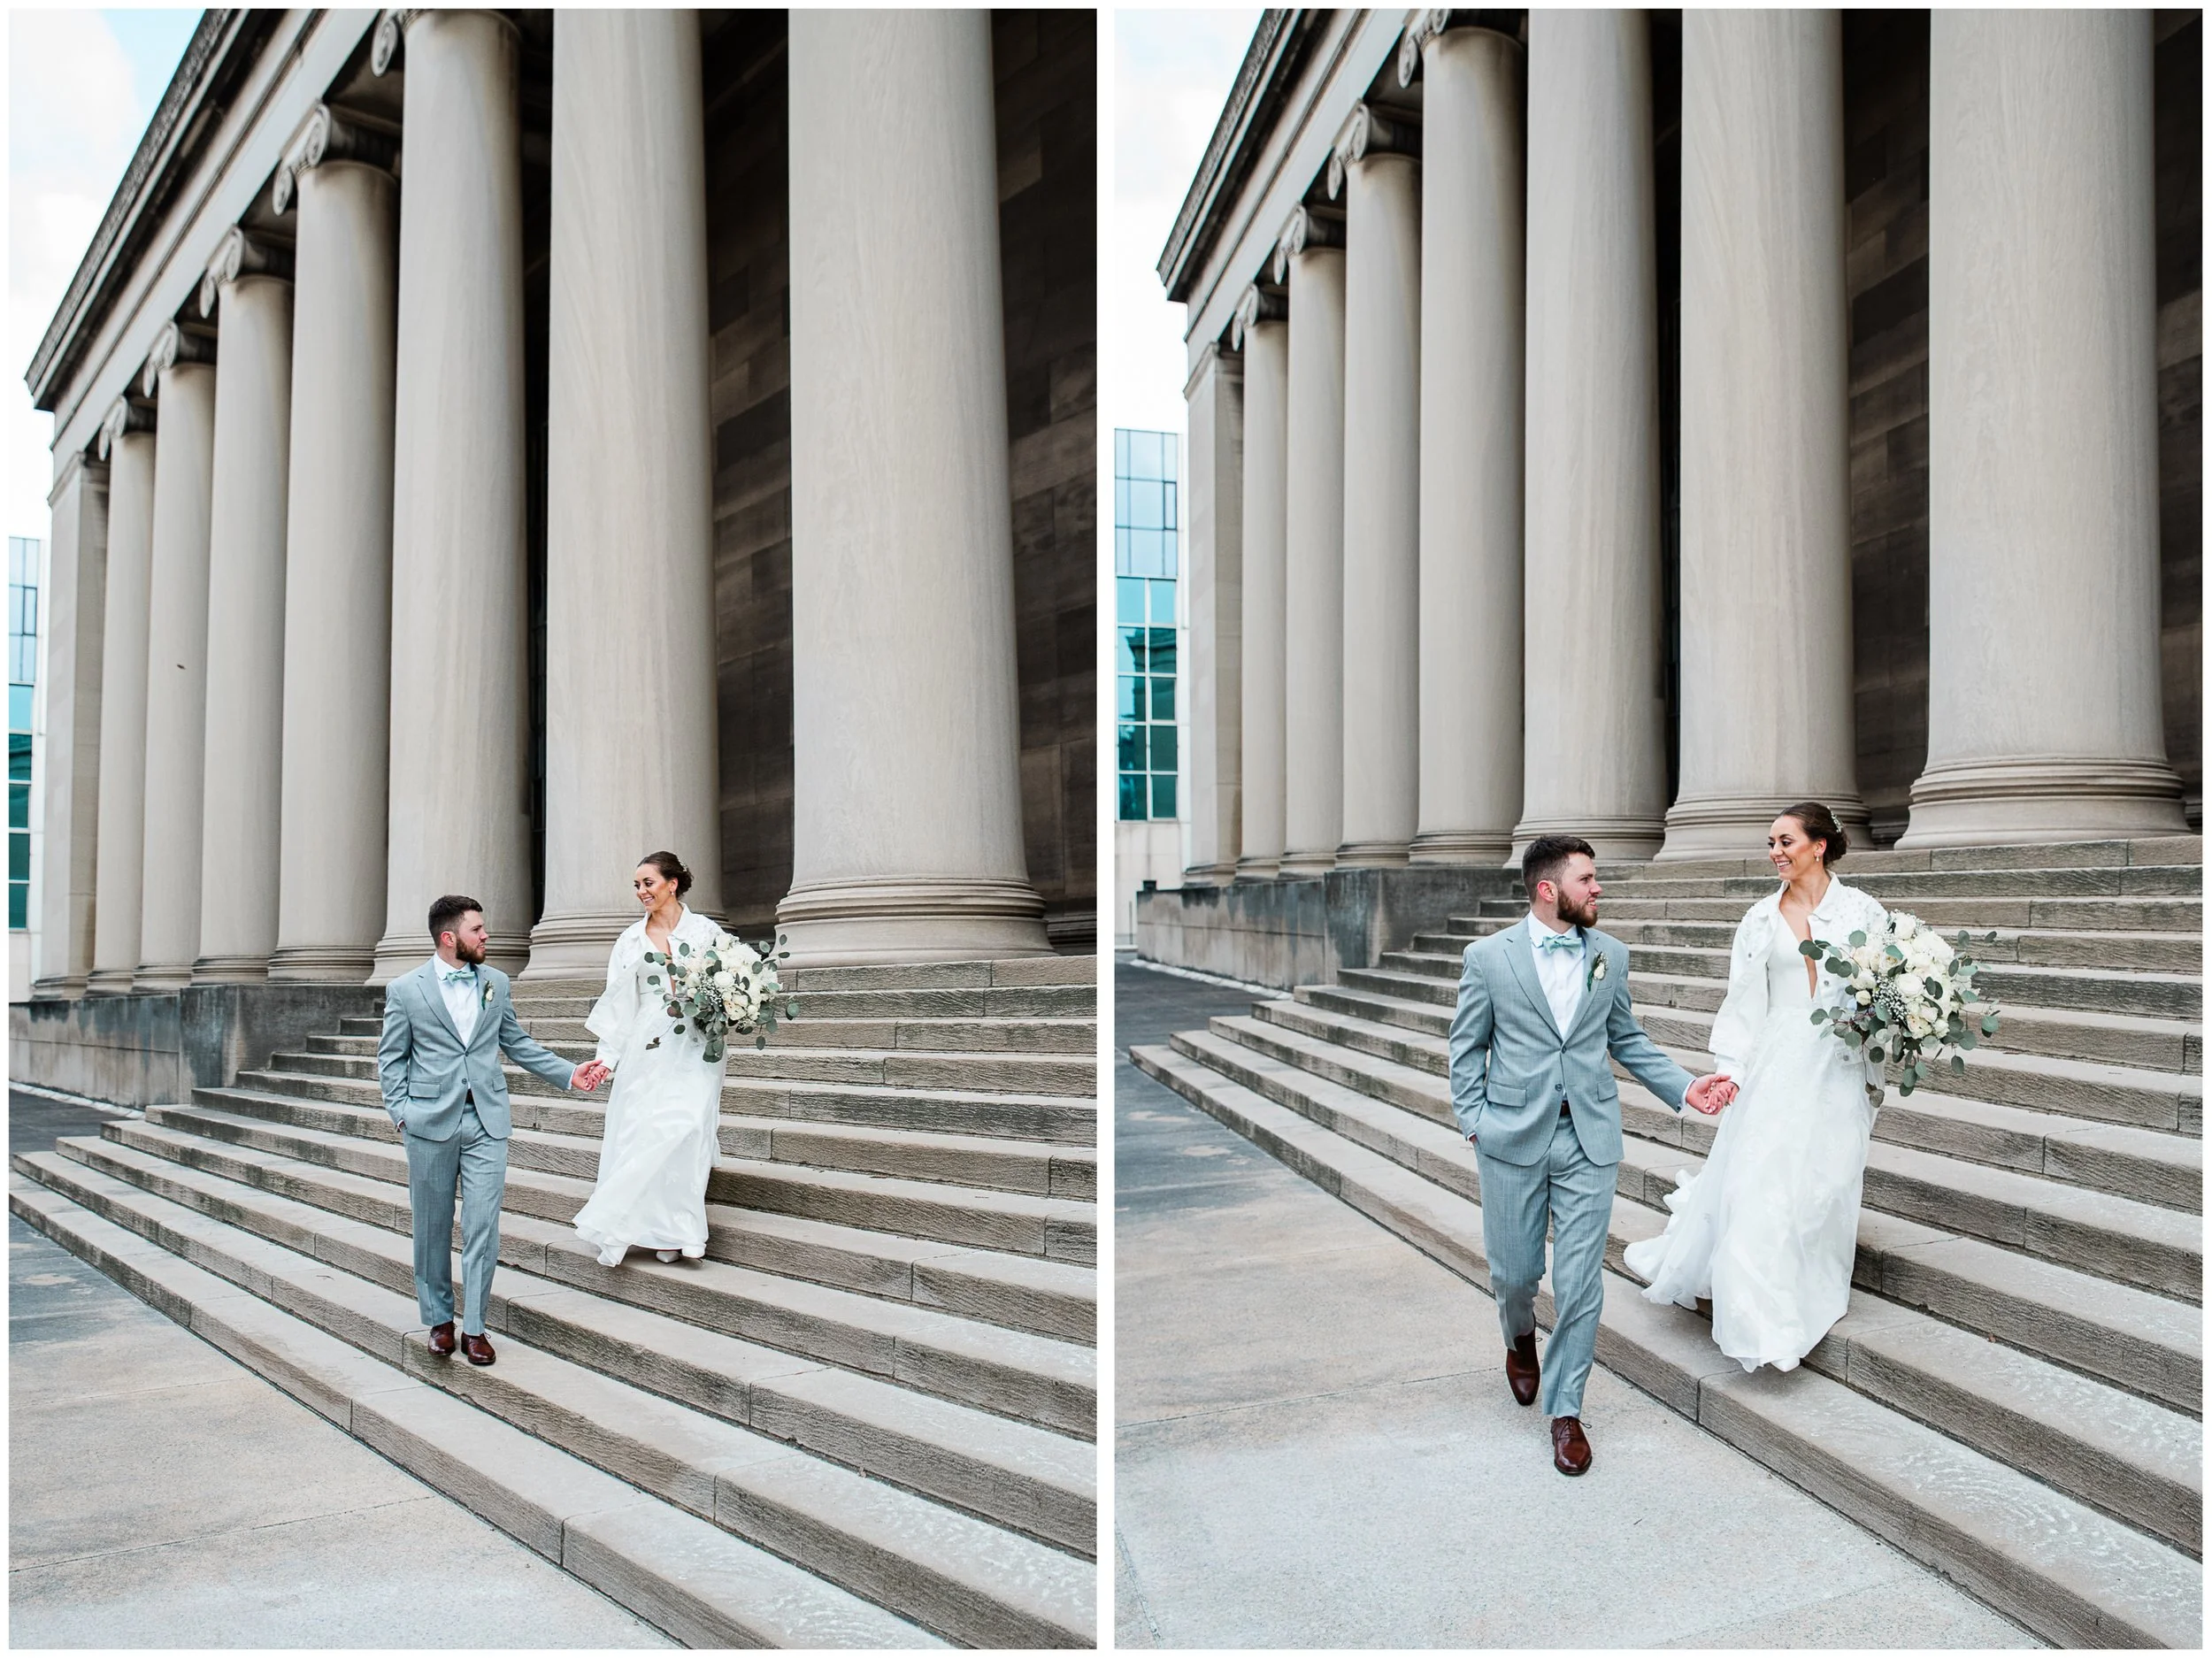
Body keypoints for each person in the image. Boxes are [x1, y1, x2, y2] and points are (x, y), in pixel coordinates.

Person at [1448, 833, 1735, 1476]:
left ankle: (1566, 1411)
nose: (1598, 888)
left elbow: (1626, 1038)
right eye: (1587, 879)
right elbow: (1466, 1048)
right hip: (1511, 1140)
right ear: (1549, 890)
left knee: (1579, 1282)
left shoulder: (1611, 954)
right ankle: (1518, 1338)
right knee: (1515, 1275)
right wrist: (1475, 1124)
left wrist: (1686, 1086)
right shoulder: (1488, 958)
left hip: (1589, 1138)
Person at [1624, 802, 1888, 1373]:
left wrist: (1880, 1056)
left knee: (1827, 1180)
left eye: (1786, 841)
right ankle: (1759, 1314)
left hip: (1841, 1064)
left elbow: (1882, 995)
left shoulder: (1865, 912)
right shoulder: (1759, 921)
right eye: (1771, 842)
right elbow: (1744, 1003)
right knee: (1763, 1181)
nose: (1775, 852)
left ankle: (1812, 1281)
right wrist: (1732, 1071)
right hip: (1780, 1063)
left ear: (1820, 846)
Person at [377, 894, 607, 1366]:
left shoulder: (496, 983)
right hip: (428, 1123)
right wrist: (402, 1115)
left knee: (483, 1227)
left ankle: (476, 1328)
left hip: (487, 1121)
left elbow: (516, 1043)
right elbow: (391, 1059)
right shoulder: (405, 990)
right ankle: (440, 1320)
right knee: (432, 1227)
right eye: (477, 930)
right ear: (450, 938)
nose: (486, 936)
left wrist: (569, 1074)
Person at [571, 851, 742, 1269]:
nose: (641, 892)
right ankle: (652, 1229)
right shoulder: (628, 941)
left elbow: (736, 977)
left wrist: (733, 1006)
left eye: (647, 883)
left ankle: (680, 1230)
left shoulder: (707, 932)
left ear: (673, 884)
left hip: (697, 1046)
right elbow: (618, 1005)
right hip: (644, 1046)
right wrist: (606, 1060)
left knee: (685, 1130)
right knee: (642, 1132)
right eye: (636, 885)